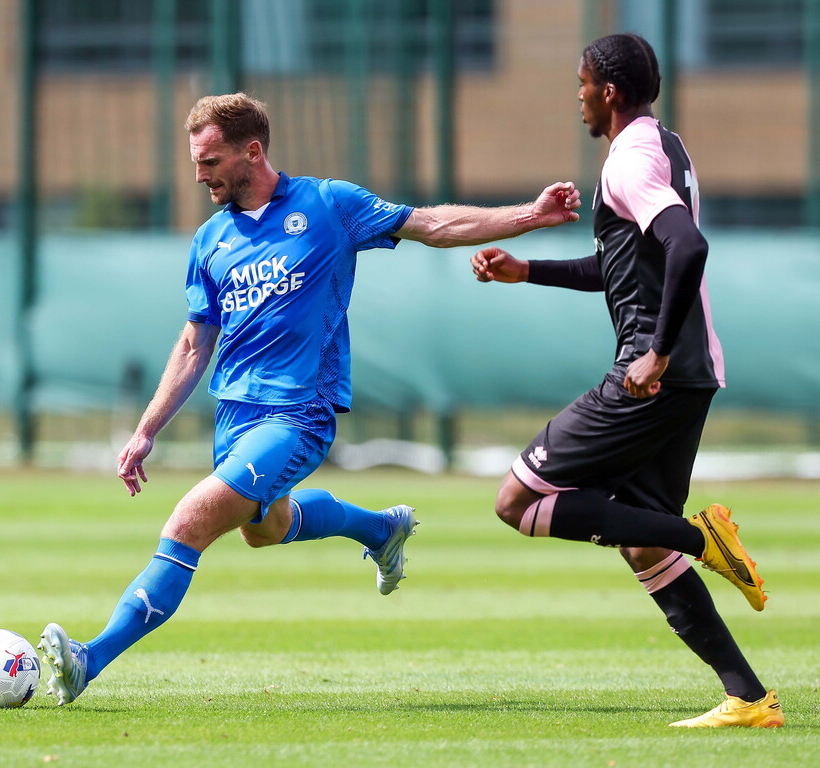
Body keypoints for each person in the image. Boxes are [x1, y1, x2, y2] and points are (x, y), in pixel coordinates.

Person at [37, 92, 582, 706]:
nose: (199, 174)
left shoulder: (328, 205)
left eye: (210, 160)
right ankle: (380, 529)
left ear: (253, 150)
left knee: (188, 522)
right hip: (234, 419)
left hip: (298, 414)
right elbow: (194, 344)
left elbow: (433, 224)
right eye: (195, 161)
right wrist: (145, 429)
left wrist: (530, 216)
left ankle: (88, 660)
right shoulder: (211, 239)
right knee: (264, 530)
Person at [470, 33, 782, 728]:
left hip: (655, 375)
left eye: (580, 84)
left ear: (606, 91)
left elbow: (687, 247)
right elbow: (623, 266)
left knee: (517, 499)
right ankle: (749, 698)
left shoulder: (629, 161)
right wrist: (530, 271)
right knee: (645, 543)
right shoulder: (664, 147)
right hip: (690, 375)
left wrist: (658, 352)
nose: (576, 96)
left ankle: (704, 538)